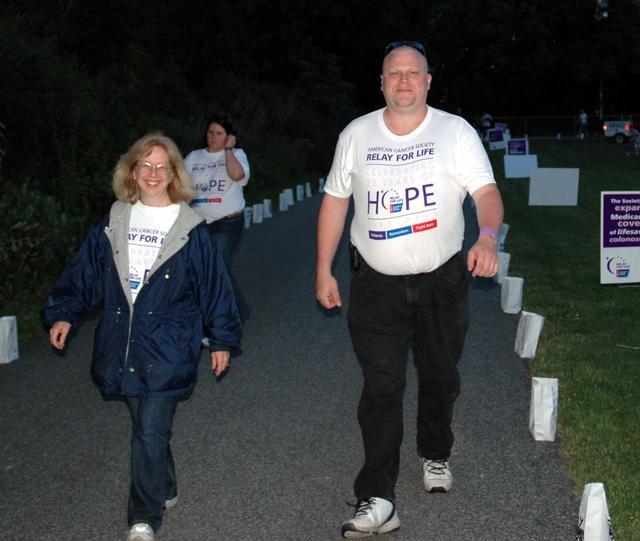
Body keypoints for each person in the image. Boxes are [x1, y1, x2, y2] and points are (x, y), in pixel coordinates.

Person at [315, 40, 504, 538]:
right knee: (381, 387)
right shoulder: (356, 134)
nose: (403, 80)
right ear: (380, 83)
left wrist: (486, 237)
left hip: (442, 280)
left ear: (427, 81)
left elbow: (486, 194)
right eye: (393, 73)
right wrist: (323, 269)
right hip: (374, 285)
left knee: (440, 375)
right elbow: (335, 202)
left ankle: (436, 451)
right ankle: (377, 496)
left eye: (412, 72)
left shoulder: (454, 132)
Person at [42, 133, 241, 541]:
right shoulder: (116, 218)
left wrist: (221, 338)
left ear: (173, 174)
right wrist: (64, 312)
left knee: (148, 431)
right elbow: (86, 272)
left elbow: (214, 287)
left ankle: (143, 518)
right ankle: (164, 484)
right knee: (146, 426)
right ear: (132, 171)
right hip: (123, 341)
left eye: (161, 167)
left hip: (169, 343)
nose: (152, 174)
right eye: (145, 166)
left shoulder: (190, 228)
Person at [184, 114, 251, 323]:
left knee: (218, 267)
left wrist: (228, 150)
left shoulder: (237, 154)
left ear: (229, 136)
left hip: (227, 222)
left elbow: (238, 176)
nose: (213, 137)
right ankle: (230, 313)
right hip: (198, 224)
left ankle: (231, 316)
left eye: (219, 134)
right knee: (204, 271)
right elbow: (180, 187)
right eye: (210, 132)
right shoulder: (194, 157)